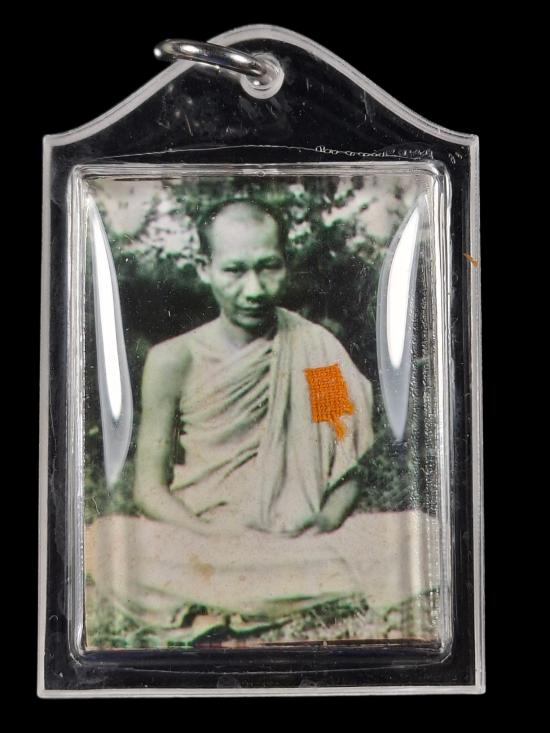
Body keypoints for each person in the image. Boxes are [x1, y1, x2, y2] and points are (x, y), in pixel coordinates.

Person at [86, 200, 439, 643]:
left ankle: (222, 600)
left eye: (268, 267)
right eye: (235, 270)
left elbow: (345, 467)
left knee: (425, 535)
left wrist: (325, 520)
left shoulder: (316, 352)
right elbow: (149, 490)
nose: (253, 289)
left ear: (285, 264)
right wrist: (213, 534)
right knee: (106, 542)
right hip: (205, 538)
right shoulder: (173, 360)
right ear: (205, 269)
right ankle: (280, 592)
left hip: (298, 540)